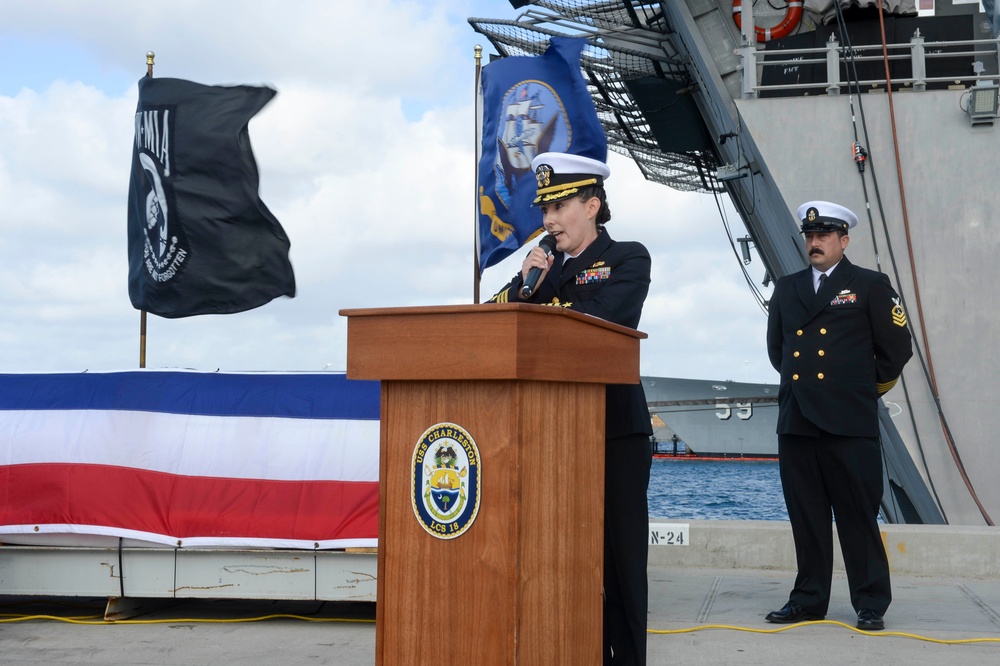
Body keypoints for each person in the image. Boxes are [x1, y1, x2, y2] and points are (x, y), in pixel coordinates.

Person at [488, 151, 653, 665]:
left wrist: (543, 300)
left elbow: (601, 321)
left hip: (612, 430)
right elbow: (492, 324)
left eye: (559, 206)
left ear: (593, 205)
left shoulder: (628, 258)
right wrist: (523, 286)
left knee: (620, 560)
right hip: (546, 432)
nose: (548, 221)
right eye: (545, 210)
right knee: (557, 557)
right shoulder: (537, 271)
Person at [765, 200, 913, 631]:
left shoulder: (869, 284)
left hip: (849, 420)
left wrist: (858, 388)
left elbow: (896, 348)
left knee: (856, 515)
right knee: (806, 515)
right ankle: (808, 599)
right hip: (798, 420)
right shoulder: (787, 288)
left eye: (823, 236)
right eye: (810, 236)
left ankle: (870, 602)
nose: (814, 242)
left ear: (843, 241)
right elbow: (778, 350)